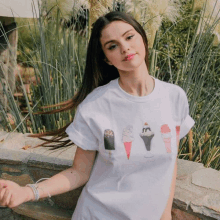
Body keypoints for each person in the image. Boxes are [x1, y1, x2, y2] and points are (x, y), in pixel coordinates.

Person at [0, 11, 195, 220]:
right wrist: (27, 191)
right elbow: (79, 172)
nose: (125, 47)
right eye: (112, 46)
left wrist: (165, 214)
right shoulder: (96, 105)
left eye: (129, 37)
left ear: (143, 38)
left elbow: (169, 162)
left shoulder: (174, 97)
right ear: (107, 58)